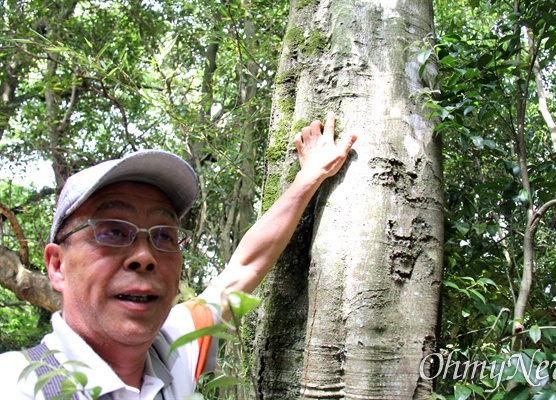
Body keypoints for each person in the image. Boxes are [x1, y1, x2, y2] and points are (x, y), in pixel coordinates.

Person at [0, 112, 356, 399]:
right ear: (57, 266)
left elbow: (243, 267)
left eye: (164, 235)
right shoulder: (16, 384)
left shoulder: (174, 350)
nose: (144, 256)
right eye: (111, 231)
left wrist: (309, 177)